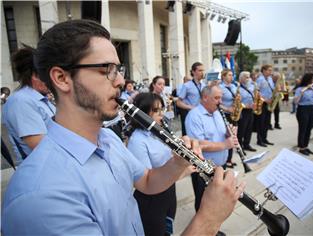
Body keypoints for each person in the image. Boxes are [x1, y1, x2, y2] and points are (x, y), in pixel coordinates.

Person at [2, 19, 245, 235]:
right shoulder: (41, 197)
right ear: (62, 78)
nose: (119, 81)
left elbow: (148, 181)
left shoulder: (107, 138)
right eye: (106, 69)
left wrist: (178, 162)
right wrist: (208, 220)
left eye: (118, 69)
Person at [127, 92, 194, 235]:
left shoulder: (159, 132)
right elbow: (147, 180)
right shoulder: (137, 141)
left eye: (161, 109)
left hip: (169, 191)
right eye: (156, 111)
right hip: (151, 199)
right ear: (143, 113)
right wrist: (184, 170)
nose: (161, 115)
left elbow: (168, 158)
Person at [185, 85, 239, 235]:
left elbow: (221, 135)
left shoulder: (217, 113)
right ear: (204, 98)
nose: (220, 101)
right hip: (203, 167)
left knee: (215, 201)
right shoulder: (194, 116)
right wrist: (225, 144)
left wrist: (229, 133)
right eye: (216, 98)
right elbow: (198, 144)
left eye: (220, 97)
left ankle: (212, 229)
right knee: (203, 202)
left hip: (219, 165)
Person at [2, 45, 55, 163]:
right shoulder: (21, 102)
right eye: (49, 74)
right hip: (43, 172)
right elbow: (42, 147)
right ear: (35, 76)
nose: (53, 80)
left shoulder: (38, 99)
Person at [294, 73, 313, 156]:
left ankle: (306, 146)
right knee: (303, 129)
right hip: (303, 109)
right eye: (312, 79)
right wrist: (301, 94)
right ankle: (301, 147)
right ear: (308, 79)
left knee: (309, 129)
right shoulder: (300, 89)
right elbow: (296, 102)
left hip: (312, 108)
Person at [176, 62, 205, 135]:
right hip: (190, 115)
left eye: (203, 70)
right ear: (193, 72)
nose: (202, 72)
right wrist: (190, 107)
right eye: (200, 70)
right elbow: (178, 102)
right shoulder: (186, 86)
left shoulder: (204, 85)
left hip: (201, 115)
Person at [219, 68, 238, 168]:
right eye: (229, 75)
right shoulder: (220, 88)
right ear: (223, 76)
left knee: (233, 136)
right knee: (227, 136)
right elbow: (218, 103)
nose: (232, 77)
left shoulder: (233, 86)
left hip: (234, 114)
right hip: (225, 114)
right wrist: (227, 109)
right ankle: (225, 160)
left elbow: (237, 97)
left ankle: (230, 158)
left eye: (232, 75)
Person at [237, 71, 257, 152]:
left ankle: (247, 144)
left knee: (249, 128)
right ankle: (240, 146)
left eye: (249, 76)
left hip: (250, 110)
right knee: (242, 129)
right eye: (246, 77)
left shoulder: (251, 86)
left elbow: (254, 96)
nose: (248, 78)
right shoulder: (237, 88)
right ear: (241, 78)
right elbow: (236, 100)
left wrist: (254, 103)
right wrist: (245, 105)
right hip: (243, 110)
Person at [255, 64, 274, 147]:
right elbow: (256, 92)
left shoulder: (270, 79)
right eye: (269, 70)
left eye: (271, 70)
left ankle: (264, 138)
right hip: (262, 103)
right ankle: (259, 140)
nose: (271, 72)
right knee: (261, 122)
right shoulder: (260, 79)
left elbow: (272, 89)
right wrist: (265, 99)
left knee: (267, 122)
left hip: (269, 103)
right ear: (264, 70)